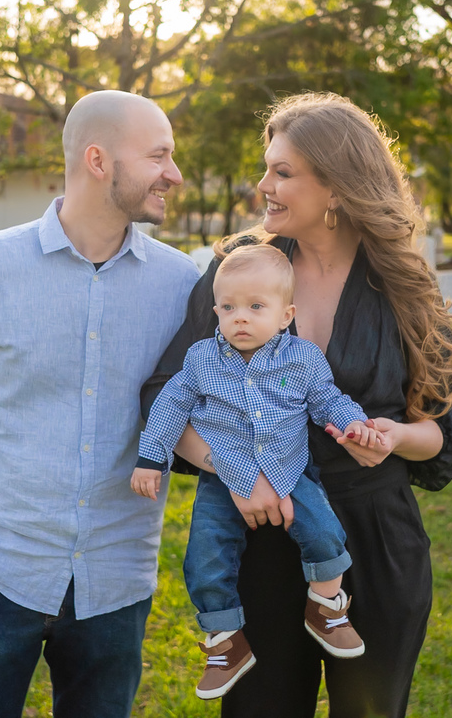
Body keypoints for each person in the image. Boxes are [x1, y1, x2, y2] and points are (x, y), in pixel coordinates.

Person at [142, 92, 452, 718]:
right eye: (267, 167)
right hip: (259, 535)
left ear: (338, 188)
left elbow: (443, 432)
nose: (262, 184)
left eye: (282, 172)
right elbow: (165, 394)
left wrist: (392, 437)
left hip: (375, 543)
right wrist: (232, 472)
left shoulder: (405, 286)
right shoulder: (238, 269)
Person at [0, 90, 201, 718]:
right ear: (97, 160)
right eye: (159, 156)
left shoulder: (183, 286)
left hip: (116, 579)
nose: (174, 174)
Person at [131, 244, 386, 699]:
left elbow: (327, 400)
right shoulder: (201, 360)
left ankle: (325, 605)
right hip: (223, 480)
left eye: (255, 307)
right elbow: (169, 406)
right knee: (205, 558)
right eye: (228, 308)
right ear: (215, 312)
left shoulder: (302, 360)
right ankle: (226, 641)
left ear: (286, 315)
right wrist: (152, 458)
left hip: (290, 472)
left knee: (325, 532)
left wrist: (353, 425)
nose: (240, 319)